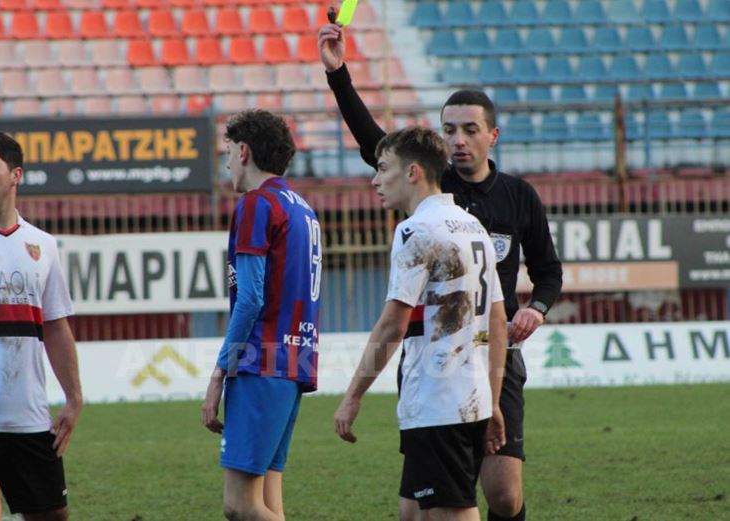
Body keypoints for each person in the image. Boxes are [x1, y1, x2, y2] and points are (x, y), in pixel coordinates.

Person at [318, 24, 563, 521]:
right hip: (435, 362)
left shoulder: (513, 197)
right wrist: (339, 75)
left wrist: (537, 308)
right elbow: (378, 145)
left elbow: (548, 271)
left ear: (492, 136)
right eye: (448, 130)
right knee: (419, 507)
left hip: (487, 358)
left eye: (469, 129)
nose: (458, 140)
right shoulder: (436, 187)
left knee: (501, 495)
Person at [334, 126, 508, 521]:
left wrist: (353, 395)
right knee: (413, 512)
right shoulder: (472, 225)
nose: (375, 180)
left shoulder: (415, 230)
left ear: (412, 172)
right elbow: (497, 319)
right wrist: (494, 399)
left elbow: (392, 326)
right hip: (471, 395)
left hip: (438, 398)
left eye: (383, 168)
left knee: (452, 512)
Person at [0, 132, 83, 521]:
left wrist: (74, 397)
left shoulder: (43, 244)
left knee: (53, 515)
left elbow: (55, 325)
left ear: (16, 174)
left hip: (31, 417)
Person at [202, 110, 322, 521]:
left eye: (228, 153)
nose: (227, 164)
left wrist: (220, 371)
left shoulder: (257, 203)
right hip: (294, 362)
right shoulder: (302, 208)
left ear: (244, 151)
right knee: (269, 504)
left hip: (261, 361)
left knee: (240, 505)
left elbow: (250, 299)